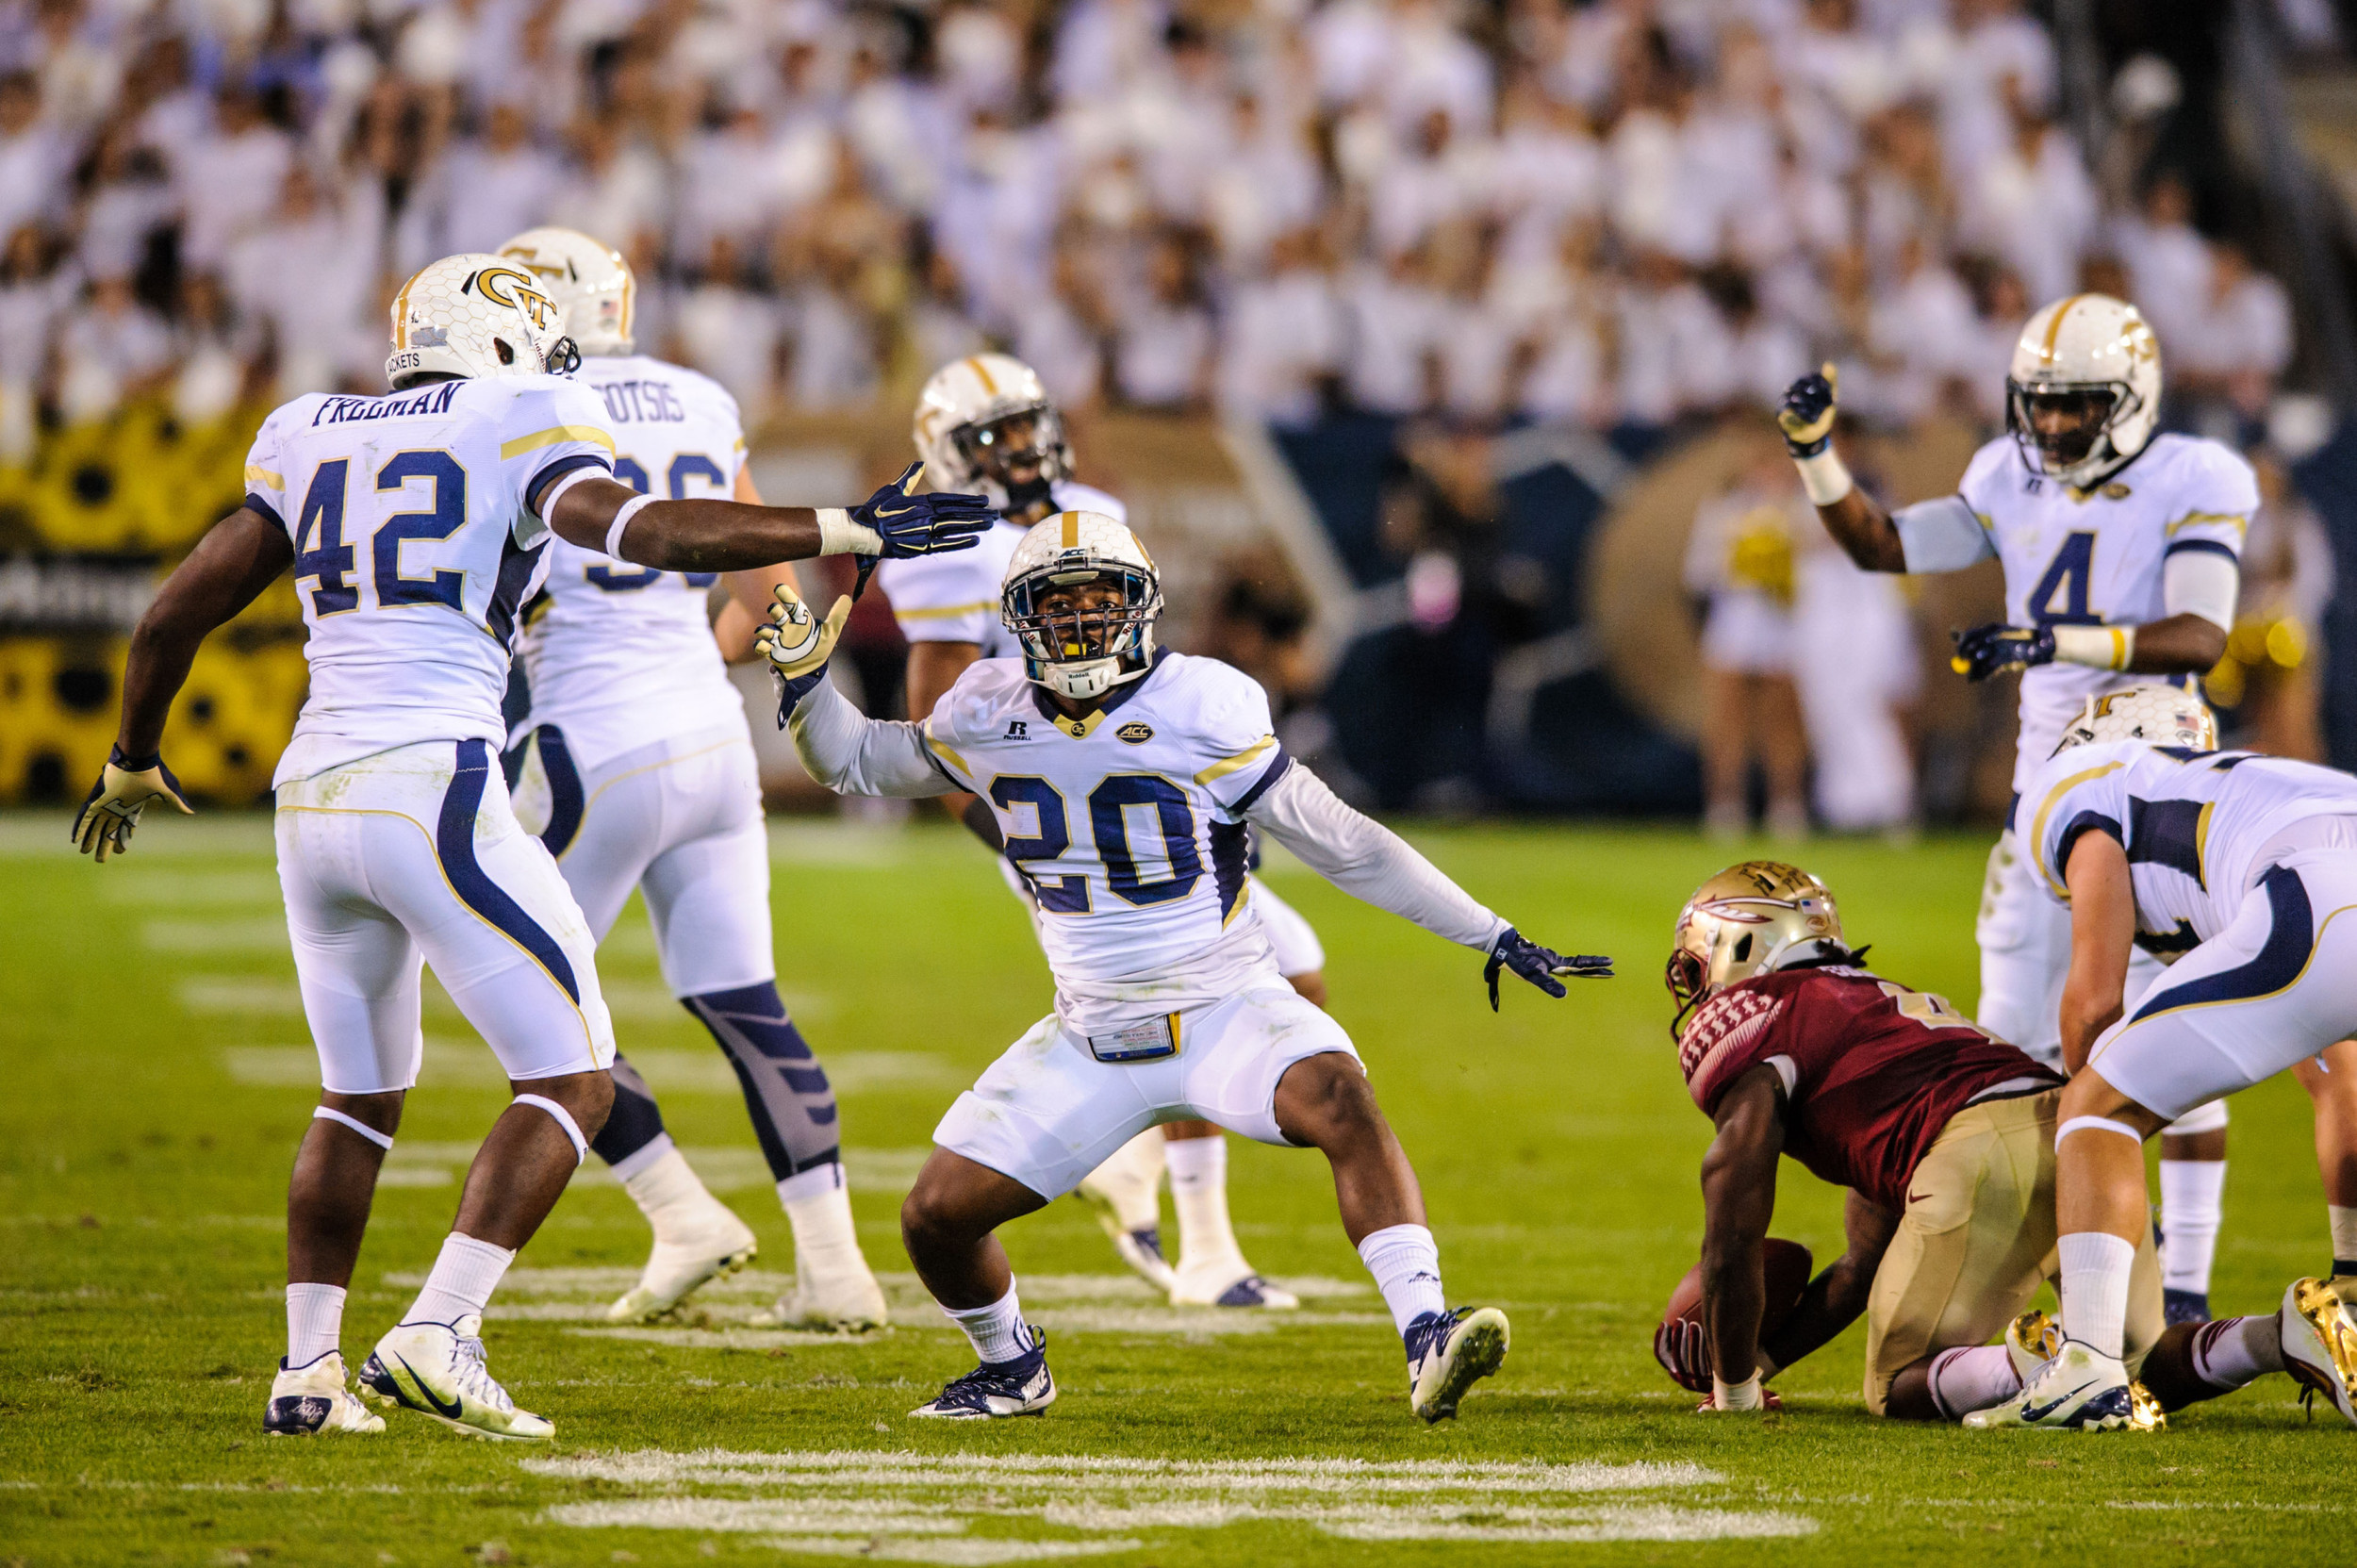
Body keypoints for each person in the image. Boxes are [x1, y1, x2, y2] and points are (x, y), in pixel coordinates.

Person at [70, 252, 991, 1439]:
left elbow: (174, 609)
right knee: (571, 1075)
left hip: (311, 797)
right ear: (504, 339)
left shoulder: (306, 428)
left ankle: (307, 1379)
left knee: (355, 1100)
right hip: (434, 783)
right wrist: (842, 523)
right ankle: (440, 1328)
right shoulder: (518, 410)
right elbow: (641, 529)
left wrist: (133, 754)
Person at [754, 508, 1610, 1419]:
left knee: (1341, 1097)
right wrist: (806, 680)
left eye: (1099, 600)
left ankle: (1428, 1330)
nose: (1081, 622)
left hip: (1223, 1004)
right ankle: (1010, 1365)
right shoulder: (986, 707)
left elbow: (1344, 841)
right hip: (1088, 1030)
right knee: (935, 1215)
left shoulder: (1202, 702)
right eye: (1058, 604)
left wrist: (1487, 930)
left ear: (1140, 607)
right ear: (1021, 617)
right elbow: (857, 760)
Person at [1778, 294, 2250, 1320]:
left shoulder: (2192, 477)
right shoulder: (2008, 476)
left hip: (2154, 787)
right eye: (2036, 406)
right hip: (2043, 807)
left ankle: (2180, 1291)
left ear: (2128, 402)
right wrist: (1816, 456)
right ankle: (2033, 1278)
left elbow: (2201, 636)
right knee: (2002, 1052)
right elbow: (1881, 545)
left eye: (2073, 407)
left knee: (2167, 1034)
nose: (2048, 427)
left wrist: (2051, 642)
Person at [493, 227, 887, 1330]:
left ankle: (678, 1210)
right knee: (743, 998)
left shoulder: (516, 406)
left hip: (588, 740)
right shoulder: (696, 397)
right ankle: (836, 1271)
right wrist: (680, 665)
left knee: (522, 987)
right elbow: (768, 590)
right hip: (711, 739)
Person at [874, 354, 1320, 1309]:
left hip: (1139, 794)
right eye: (992, 435)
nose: (1020, 448)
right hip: (1061, 819)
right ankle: (1199, 1242)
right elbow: (936, 713)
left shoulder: (1084, 504)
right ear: (947, 453)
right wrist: (1015, 843)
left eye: (1027, 424)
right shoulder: (949, 539)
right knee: (1207, 989)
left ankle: (1137, 1175)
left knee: (1286, 968)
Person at [1658, 859, 2342, 1428]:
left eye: (1696, 964)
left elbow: (1733, 1223)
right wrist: (1755, 1364)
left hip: (1974, 1147)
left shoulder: (1759, 1015)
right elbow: (1859, 1270)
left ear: (1740, 943)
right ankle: (2280, 1334)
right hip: (2081, 1134)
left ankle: (2032, 1362)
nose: (1695, 988)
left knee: (1895, 1382)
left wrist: (1734, 1392)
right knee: (2127, 1360)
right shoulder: (1867, 1007)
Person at [1964, 686, 2357, 1428]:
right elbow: (2335, 1073)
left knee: (2098, 1102)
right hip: (2328, 872)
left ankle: (2083, 1370)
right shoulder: (2254, 779)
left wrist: (2084, 1140)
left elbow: (2093, 1000)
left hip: (2316, 896)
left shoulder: (2079, 780)